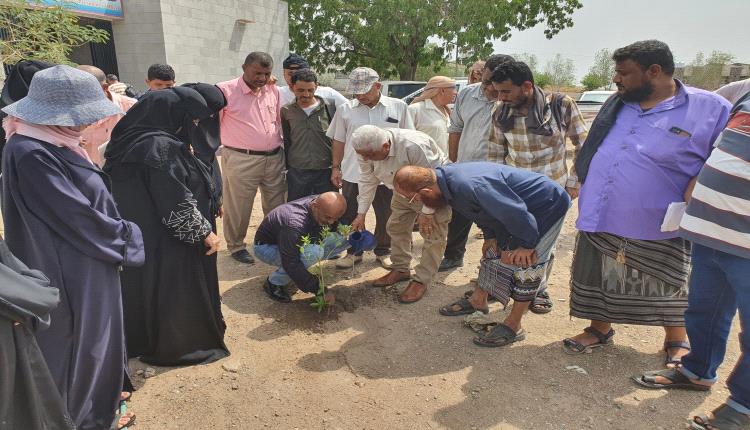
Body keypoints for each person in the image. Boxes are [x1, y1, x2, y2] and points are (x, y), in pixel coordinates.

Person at [563, 40, 731, 367]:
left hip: (661, 221)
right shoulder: (619, 104)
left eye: (624, 73)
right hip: (602, 211)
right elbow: (593, 147)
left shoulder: (709, 108)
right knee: (599, 274)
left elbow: (723, 159)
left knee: (669, 281)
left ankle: (676, 339)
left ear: (654, 71)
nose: (616, 79)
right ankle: (599, 329)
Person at [1, 65, 145, 430]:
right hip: (70, 264)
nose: (85, 126)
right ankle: (83, 417)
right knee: (79, 341)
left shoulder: (51, 141)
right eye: (79, 117)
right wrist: (126, 237)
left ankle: (102, 401)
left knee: (97, 336)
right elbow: (75, 216)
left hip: (87, 256)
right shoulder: (32, 151)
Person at [632, 92, 750, 430]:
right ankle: (697, 370)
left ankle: (742, 408)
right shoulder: (746, 94)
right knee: (704, 309)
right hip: (709, 232)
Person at [103, 85, 228, 367]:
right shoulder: (160, 146)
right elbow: (174, 202)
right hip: (167, 241)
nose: (194, 125)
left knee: (147, 289)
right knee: (173, 291)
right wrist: (203, 234)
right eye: (191, 119)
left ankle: (144, 340)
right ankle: (180, 346)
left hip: (143, 234)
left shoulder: (130, 138)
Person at [394, 163, 570, 346]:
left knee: (528, 264)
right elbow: (483, 212)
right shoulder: (446, 184)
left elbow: (516, 213)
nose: (416, 203)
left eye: (413, 198)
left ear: (426, 190)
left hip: (546, 206)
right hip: (519, 210)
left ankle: (514, 325)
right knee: (492, 251)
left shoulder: (471, 186)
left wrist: (527, 245)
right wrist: (490, 236)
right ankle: (478, 300)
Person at [488, 60, 589, 313]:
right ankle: (505, 283)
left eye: (506, 91)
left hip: (552, 191)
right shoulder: (500, 112)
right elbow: (495, 154)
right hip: (514, 191)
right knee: (512, 241)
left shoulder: (561, 105)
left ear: (527, 86)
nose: (500, 97)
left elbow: (583, 145)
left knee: (544, 243)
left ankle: (537, 289)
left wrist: (574, 182)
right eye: (498, 92)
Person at [327, 67, 415, 269]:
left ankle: (383, 250)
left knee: (387, 213)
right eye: (356, 91)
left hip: (389, 173)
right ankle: (354, 252)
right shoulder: (345, 110)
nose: (360, 95)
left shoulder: (398, 107)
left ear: (378, 86)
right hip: (353, 171)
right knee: (351, 213)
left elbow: (407, 139)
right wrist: (335, 167)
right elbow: (339, 141)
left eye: (365, 90)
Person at [350, 125, 450, 303]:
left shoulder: (414, 145)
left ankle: (421, 280)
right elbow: (367, 179)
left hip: (432, 192)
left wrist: (427, 212)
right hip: (401, 191)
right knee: (396, 227)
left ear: (386, 147)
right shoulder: (366, 151)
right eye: (362, 154)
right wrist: (361, 213)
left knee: (432, 234)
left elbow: (436, 181)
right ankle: (401, 269)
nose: (365, 158)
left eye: (369, 155)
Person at [439, 54, 514, 272]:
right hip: (464, 170)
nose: (488, 88)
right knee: (459, 216)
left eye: (494, 83)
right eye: (485, 81)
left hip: (496, 174)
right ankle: (453, 255)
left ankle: (492, 268)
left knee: (495, 221)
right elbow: (455, 129)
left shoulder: (511, 102)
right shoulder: (467, 95)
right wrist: (453, 162)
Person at [217, 51, 286, 265]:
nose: (262, 78)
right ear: (244, 67)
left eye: (266, 73)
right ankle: (236, 246)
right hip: (241, 159)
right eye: (257, 73)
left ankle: (270, 242)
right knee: (238, 205)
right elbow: (213, 124)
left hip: (274, 157)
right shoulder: (224, 91)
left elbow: (276, 120)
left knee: (276, 204)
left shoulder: (272, 90)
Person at [253, 192, 347, 303]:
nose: (331, 222)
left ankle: (301, 274)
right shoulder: (294, 223)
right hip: (266, 248)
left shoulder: (318, 204)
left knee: (344, 238)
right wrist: (319, 289)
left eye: (335, 218)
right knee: (313, 253)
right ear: (315, 207)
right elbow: (291, 262)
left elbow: (332, 223)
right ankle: (274, 283)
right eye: (328, 217)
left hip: (291, 241)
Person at [281, 69, 338, 201]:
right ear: (292, 87)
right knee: (297, 211)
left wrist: (336, 168)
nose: (306, 94)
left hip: (325, 172)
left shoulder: (330, 107)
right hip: (298, 173)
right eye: (301, 90)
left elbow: (337, 140)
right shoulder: (286, 111)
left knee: (328, 210)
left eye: (310, 90)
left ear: (316, 87)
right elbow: (287, 140)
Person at [77, 65, 137, 166]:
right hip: (85, 171)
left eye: (84, 90)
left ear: (104, 87)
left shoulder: (130, 107)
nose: (77, 95)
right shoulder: (68, 111)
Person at [407, 76, 456, 154]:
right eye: (453, 88)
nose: (455, 92)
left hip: (445, 163)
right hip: (423, 164)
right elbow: (406, 140)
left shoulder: (448, 112)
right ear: (442, 91)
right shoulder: (415, 109)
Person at [278, 53, 347, 107]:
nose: (294, 78)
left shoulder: (328, 94)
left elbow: (349, 109)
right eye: (290, 73)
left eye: (300, 73)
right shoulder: (277, 93)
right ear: (283, 74)